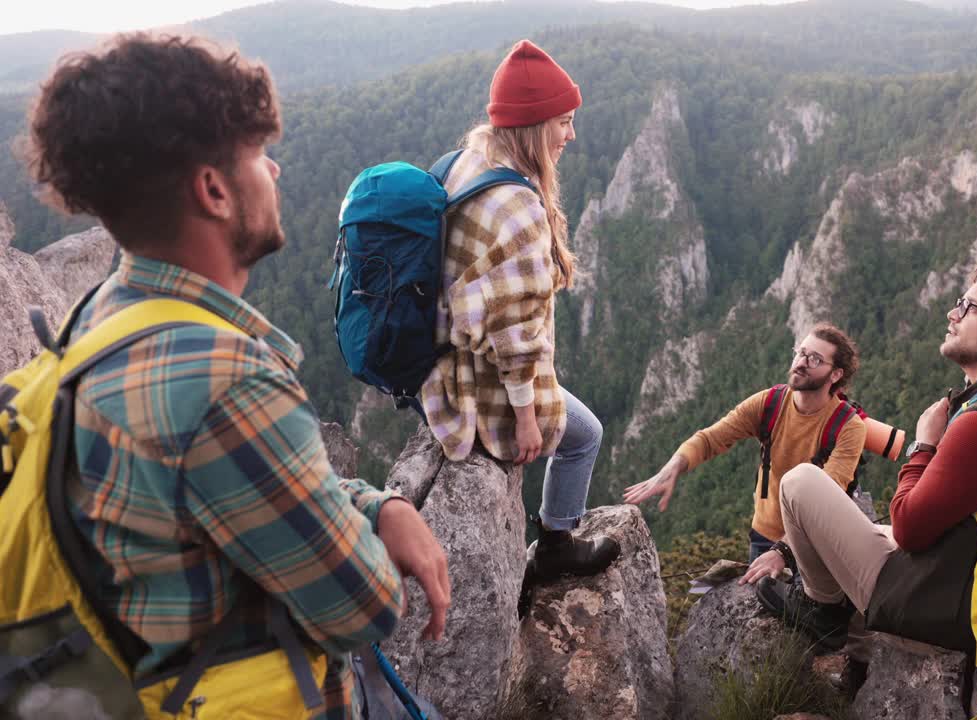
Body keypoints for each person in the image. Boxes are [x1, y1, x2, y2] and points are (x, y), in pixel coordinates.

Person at [24, 33, 450, 718]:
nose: (275, 173)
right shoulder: (225, 382)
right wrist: (380, 524)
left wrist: (375, 503)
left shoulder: (99, 318)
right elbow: (363, 608)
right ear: (214, 190)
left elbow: (205, 480)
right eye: (259, 154)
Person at [754, 264, 977, 654]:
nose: (953, 315)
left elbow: (908, 528)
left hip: (937, 614)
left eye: (969, 307)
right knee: (866, 528)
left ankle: (822, 611)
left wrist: (924, 444)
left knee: (800, 482)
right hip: (974, 585)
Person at [422, 39, 619, 580]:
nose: (571, 135)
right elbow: (514, 334)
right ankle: (557, 543)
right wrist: (528, 420)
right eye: (563, 122)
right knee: (586, 435)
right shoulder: (517, 206)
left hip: (442, 358)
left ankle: (552, 539)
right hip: (479, 381)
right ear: (534, 125)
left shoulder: (464, 162)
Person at [624, 323, 867, 576]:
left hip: (814, 544)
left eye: (815, 359)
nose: (802, 362)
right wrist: (674, 466)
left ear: (836, 375)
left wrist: (783, 551)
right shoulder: (770, 403)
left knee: (804, 614)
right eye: (801, 352)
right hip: (764, 537)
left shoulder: (848, 427)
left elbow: (825, 501)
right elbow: (711, 439)